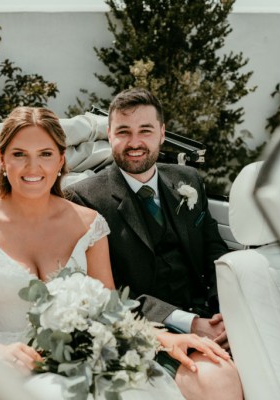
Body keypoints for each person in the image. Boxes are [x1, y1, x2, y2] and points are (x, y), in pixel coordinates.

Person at [0, 106, 230, 400]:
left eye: (45, 154)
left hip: (90, 357)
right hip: (15, 366)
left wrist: (164, 338)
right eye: (19, 154)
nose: (33, 168)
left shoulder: (89, 224)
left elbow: (112, 312)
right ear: (3, 159)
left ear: (60, 160)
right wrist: (1, 353)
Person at [67, 88, 242, 399]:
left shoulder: (189, 180)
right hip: (149, 327)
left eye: (145, 130)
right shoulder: (83, 199)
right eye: (123, 131)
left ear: (162, 133)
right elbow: (105, 292)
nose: (135, 142)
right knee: (218, 382)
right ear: (109, 134)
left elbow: (215, 252)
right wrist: (191, 323)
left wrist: (224, 313)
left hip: (215, 317)